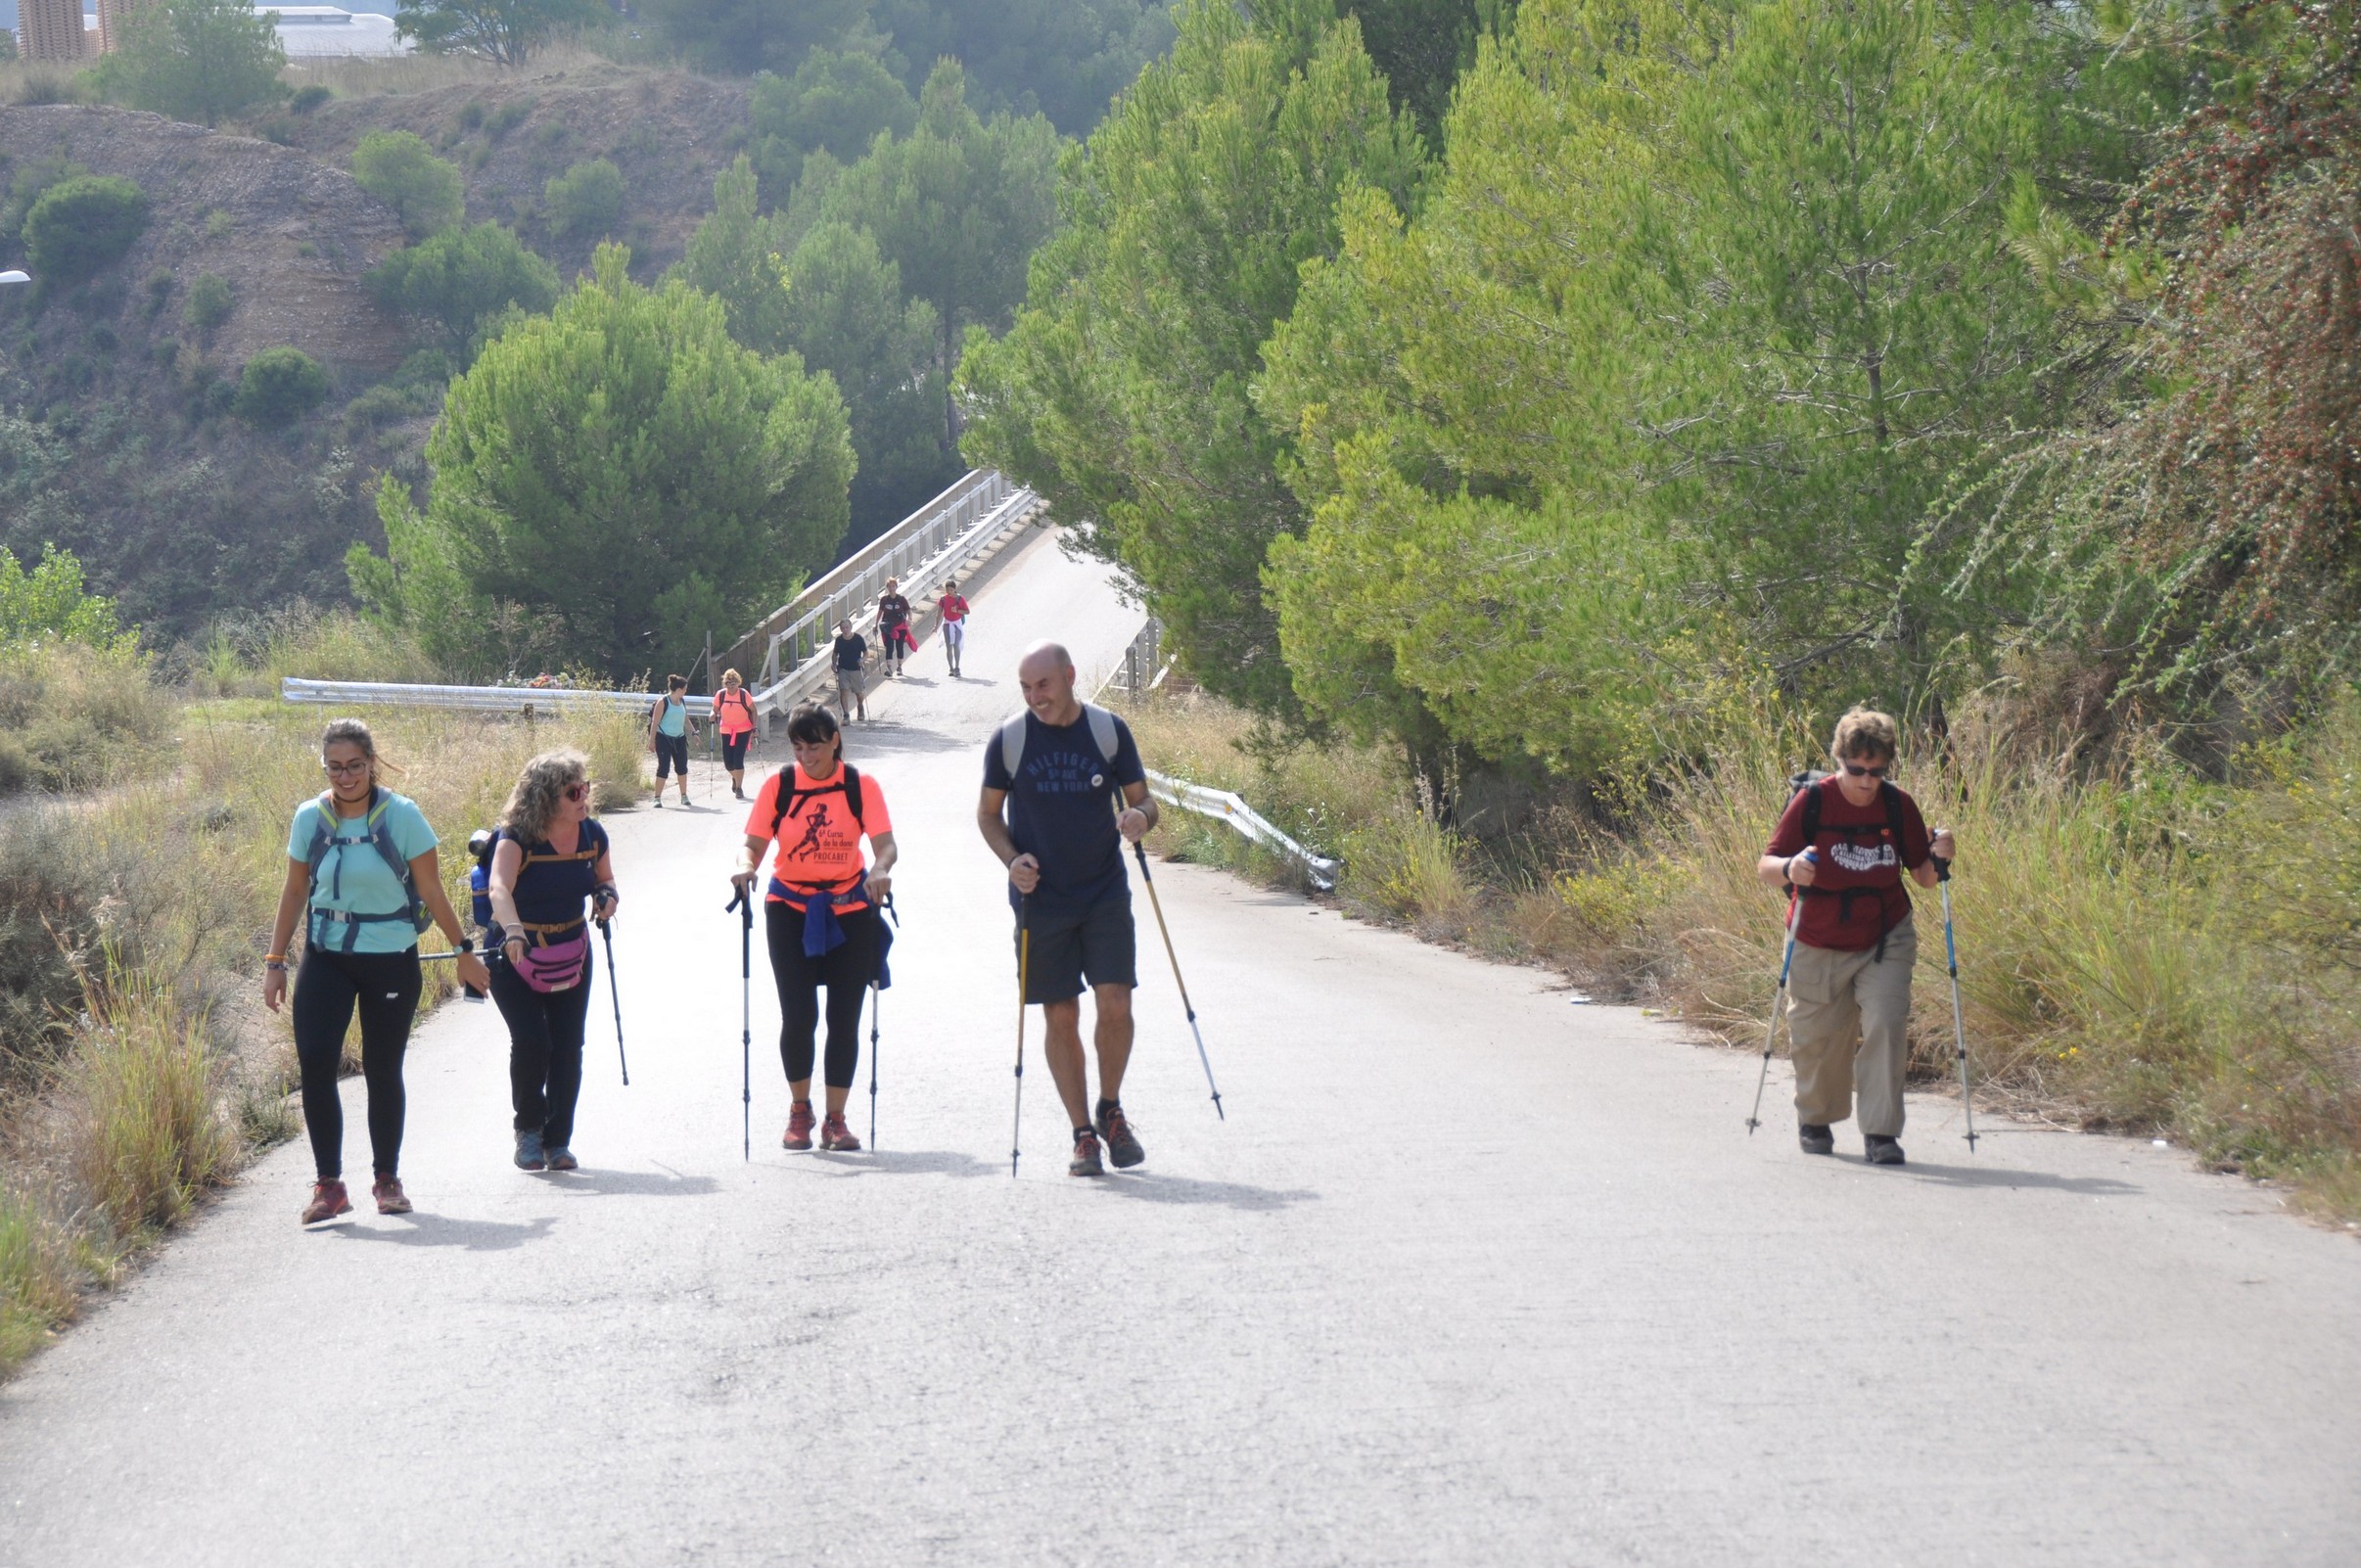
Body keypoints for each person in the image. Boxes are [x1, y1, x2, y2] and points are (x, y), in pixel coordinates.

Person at [264, 718, 486, 1225]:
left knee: (382, 1069)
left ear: (371, 763)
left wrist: (463, 950)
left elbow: (431, 889)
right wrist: (275, 962)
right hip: (325, 956)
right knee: (316, 1065)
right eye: (335, 768)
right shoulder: (309, 818)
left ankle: (387, 1179)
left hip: (390, 958)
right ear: (324, 767)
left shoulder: (402, 815)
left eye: (355, 766)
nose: (345, 777)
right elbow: (295, 891)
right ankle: (329, 1185)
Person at [976, 641, 1158, 1176]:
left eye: (1044, 685)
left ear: (1070, 677)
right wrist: (1012, 860)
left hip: (1103, 891)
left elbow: (1145, 801)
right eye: (1026, 688)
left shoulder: (1108, 731)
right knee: (1061, 1014)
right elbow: (988, 815)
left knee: (1116, 1002)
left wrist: (1141, 819)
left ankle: (1110, 1109)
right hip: (1040, 900)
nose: (1036, 697)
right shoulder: (1010, 739)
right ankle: (1083, 1134)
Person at [1756, 706, 1956, 1166]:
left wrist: (1942, 855)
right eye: (1857, 769)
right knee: (1818, 1038)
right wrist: (1790, 867)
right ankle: (1816, 1119)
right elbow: (1766, 866)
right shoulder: (1813, 801)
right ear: (1839, 760)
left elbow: (1924, 876)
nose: (1867, 780)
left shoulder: (1897, 804)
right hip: (1817, 936)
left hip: (1885, 935)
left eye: (1877, 771)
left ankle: (1881, 1133)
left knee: (1886, 1022)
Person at [731, 704, 898, 1153]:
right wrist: (745, 866)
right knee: (799, 1015)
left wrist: (879, 870)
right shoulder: (781, 785)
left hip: (850, 908)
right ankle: (800, 1111)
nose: (806, 757)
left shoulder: (859, 785)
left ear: (835, 741)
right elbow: (752, 844)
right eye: (798, 748)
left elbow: (885, 846)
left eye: (815, 748)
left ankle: (835, 1121)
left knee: (844, 1017)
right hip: (789, 909)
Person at [486, 750, 618, 1173]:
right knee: (531, 1040)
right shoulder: (517, 837)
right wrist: (513, 931)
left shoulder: (592, 834)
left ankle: (557, 1141)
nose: (584, 797)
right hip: (514, 952)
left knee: (568, 1046)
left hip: (571, 950)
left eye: (585, 788)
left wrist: (607, 897)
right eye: (573, 792)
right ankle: (528, 1131)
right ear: (545, 797)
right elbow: (499, 889)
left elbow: (605, 879)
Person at [648, 673, 694, 807]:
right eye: (685, 689)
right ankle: (657, 798)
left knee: (682, 768)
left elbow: (686, 719)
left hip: (680, 738)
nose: (686, 691)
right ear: (678, 689)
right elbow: (654, 723)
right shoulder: (663, 702)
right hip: (663, 738)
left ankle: (684, 796)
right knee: (663, 768)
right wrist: (652, 741)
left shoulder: (682, 701)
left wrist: (694, 733)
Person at [714, 669, 759, 800]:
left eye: (733, 683)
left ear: (738, 683)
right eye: (727, 683)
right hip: (726, 730)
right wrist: (712, 714)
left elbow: (754, 711)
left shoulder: (744, 694)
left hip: (743, 730)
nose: (730, 686)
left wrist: (754, 727)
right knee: (728, 763)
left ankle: (739, 788)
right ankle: (735, 777)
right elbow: (714, 710)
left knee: (738, 760)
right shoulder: (721, 695)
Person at [830, 618, 868, 722]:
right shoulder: (839, 640)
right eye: (843, 628)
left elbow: (866, 653)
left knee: (859, 693)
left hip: (856, 669)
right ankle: (846, 715)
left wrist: (862, 660)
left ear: (851, 627)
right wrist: (834, 664)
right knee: (843, 691)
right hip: (843, 669)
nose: (845, 630)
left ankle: (860, 706)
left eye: (847, 627)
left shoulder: (858, 638)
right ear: (840, 629)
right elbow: (835, 654)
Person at [876, 577, 915, 677]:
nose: (891, 588)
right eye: (889, 586)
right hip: (888, 627)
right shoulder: (884, 600)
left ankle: (899, 667)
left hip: (900, 626)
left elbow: (908, 610)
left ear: (896, 587)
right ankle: (889, 668)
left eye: (893, 586)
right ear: (887, 588)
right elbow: (880, 612)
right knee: (889, 647)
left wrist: (910, 619)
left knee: (899, 646)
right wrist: (876, 624)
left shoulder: (901, 599)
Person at [937, 578, 970, 679]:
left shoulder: (960, 598)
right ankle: (951, 668)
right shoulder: (943, 599)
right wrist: (936, 625)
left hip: (957, 624)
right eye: (947, 590)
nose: (949, 592)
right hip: (947, 624)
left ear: (955, 589)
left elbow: (967, 611)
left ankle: (957, 667)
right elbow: (939, 613)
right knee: (949, 647)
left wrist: (957, 611)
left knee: (956, 645)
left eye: (951, 590)